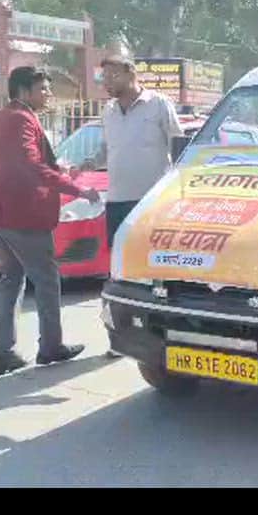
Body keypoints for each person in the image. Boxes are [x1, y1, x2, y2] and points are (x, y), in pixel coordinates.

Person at [0, 66, 101, 376]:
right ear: (23, 91)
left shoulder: (4, 116)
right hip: (21, 217)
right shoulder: (20, 119)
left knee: (11, 280)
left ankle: (5, 352)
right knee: (46, 280)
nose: (48, 94)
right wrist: (76, 188)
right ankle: (51, 346)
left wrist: (59, 171)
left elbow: (24, 164)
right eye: (43, 89)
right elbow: (30, 168)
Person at [99, 54, 185, 357]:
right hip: (117, 201)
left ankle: (164, 333)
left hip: (152, 204)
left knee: (158, 271)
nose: (106, 83)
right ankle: (120, 336)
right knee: (120, 273)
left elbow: (179, 147)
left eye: (111, 76)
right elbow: (108, 150)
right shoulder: (107, 111)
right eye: (103, 78)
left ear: (129, 72)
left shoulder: (159, 104)